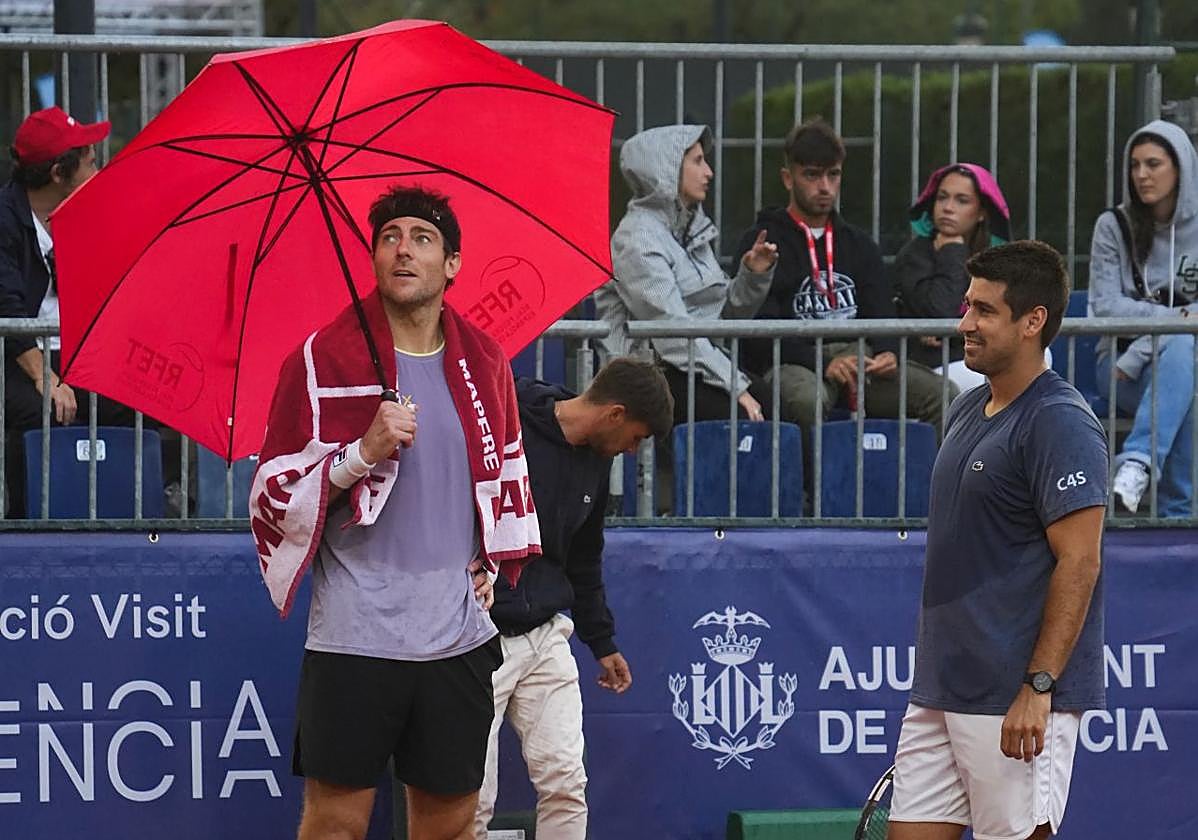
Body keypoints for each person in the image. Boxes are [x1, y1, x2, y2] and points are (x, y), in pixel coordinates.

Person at [249, 185, 542, 840]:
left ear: (453, 264)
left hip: (457, 639)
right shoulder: (322, 359)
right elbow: (272, 491)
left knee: (449, 825)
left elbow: (503, 480)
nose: (403, 249)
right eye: (389, 237)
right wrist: (360, 453)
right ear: (375, 257)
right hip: (355, 637)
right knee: (334, 825)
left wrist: (490, 557)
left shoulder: (487, 362)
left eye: (421, 237)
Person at [889, 241, 1108, 840]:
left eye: (984, 311)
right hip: (941, 688)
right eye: (967, 306)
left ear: (1033, 321)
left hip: (1014, 697)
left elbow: (1080, 562)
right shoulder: (966, 409)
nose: (965, 323)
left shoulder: (1060, 420)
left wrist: (1039, 688)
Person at [474, 357, 674, 840]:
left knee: (567, 782)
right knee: (471, 796)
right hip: (475, 637)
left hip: (546, 635)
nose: (632, 450)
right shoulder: (504, 420)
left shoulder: (596, 464)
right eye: (636, 437)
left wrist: (601, 642)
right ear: (615, 414)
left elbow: (585, 559)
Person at [734, 117, 952, 437]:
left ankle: (937, 488)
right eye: (811, 175)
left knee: (944, 396)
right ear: (787, 178)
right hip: (795, 362)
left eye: (832, 175)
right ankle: (813, 488)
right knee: (807, 400)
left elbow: (882, 313)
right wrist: (822, 363)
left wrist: (888, 351)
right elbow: (761, 333)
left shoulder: (860, 244)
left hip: (859, 359)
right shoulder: (763, 242)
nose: (824, 187)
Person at [595, 124, 778, 425]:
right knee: (746, 415)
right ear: (665, 169)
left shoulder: (690, 230)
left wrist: (752, 276)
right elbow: (671, 331)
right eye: (697, 161)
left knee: (781, 410)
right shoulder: (637, 240)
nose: (709, 172)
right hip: (649, 376)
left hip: (696, 366)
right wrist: (735, 386)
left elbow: (722, 315)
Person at [1089, 120, 1198, 517]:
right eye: (1134, 165)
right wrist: (1180, 318)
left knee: (1185, 363)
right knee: (1185, 354)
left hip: (1153, 362)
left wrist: (1153, 338)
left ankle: (1136, 463)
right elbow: (1106, 306)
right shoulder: (1113, 226)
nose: (1141, 175)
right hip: (1117, 366)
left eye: (1153, 164)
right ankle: (1178, 515)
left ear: (1181, 167)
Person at [1, 107, 107, 514]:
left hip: (75, 351)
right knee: (46, 411)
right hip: (17, 359)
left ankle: (155, 506)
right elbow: (8, 310)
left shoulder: (85, 211)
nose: (98, 173)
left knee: (144, 402)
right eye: (90, 163)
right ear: (58, 174)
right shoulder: (5, 219)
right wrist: (47, 376)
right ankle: (29, 524)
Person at [894, 162, 1012, 392]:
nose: (948, 208)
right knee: (989, 383)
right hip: (930, 367)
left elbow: (1005, 319)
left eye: (962, 200)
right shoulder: (915, 254)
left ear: (981, 213)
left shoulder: (995, 260)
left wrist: (950, 332)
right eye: (942, 198)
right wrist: (952, 252)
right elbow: (940, 311)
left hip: (977, 354)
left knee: (1040, 357)